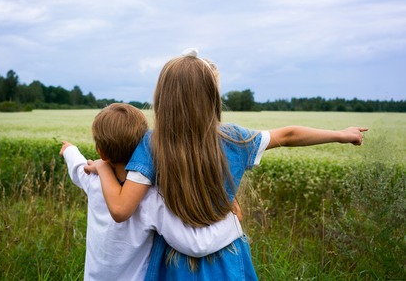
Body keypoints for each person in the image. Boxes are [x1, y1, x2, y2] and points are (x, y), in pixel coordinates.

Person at [86, 49, 368, 280]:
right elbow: (288, 135)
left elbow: (122, 208)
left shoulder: (151, 144)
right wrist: (341, 135)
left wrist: (101, 166)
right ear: (212, 97)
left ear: (162, 99)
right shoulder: (235, 138)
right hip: (229, 257)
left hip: (174, 264)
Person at [60, 103, 245, 281]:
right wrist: (232, 221)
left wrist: (70, 150)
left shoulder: (93, 180)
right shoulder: (153, 199)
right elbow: (195, 244)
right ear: (144, 150)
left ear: (101, 153)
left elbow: (77, 167)